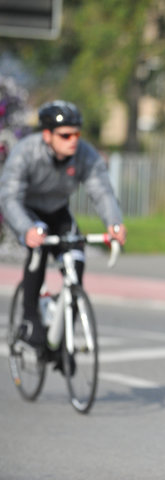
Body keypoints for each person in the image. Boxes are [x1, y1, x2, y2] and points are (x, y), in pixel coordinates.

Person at [0, 100, 126, 350]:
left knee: (76, 261)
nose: (73, 140)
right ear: (47, 135)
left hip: (58, 212)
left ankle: (63, 328)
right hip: (28, 211)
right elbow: (9, 197)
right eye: (66, 135)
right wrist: (25, 228)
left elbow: (101, 191)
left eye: (77, 134)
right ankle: (29, 318)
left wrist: (114, 223)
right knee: (39, 246)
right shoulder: (26, 152)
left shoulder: (84, 155)